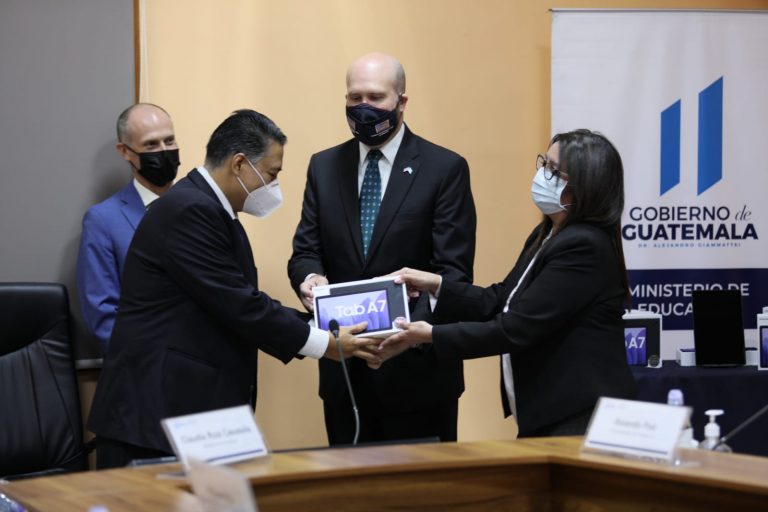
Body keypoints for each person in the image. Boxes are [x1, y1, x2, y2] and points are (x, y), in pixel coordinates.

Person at [88, 109, 379, 468]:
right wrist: (324, 342)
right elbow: (240, 304)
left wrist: (323, 323)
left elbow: (238, 298)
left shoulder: (211, 208)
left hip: (183, 414)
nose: (273, 186)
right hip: (153, 419)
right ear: (240, 164)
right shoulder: (190, 210)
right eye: (271, 174)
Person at [380, 129, 637, 437]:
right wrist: (436, 284)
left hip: (580, 415)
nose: (542, 176)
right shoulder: (548, 234)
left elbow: (516, 327)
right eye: (544, 163)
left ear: (584, 187)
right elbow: (501, 298)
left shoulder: (584, 246)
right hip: (550, 410)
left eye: (554, 171)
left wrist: (429, 335)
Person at [288, 52, 477, 445]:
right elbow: (305, 250)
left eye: (375, 97)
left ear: (401, 101)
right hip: (344, 373)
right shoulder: (324, 166)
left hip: (418, 375)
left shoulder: (444, 168)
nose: (364, 108)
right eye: (354, 97)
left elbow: (453, 273)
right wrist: (309, 278)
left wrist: (403, 337)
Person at [76, 103, 180, 353]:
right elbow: (103, 317)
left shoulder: (202, 208)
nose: (164, 151)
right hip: (146, 364)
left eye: (169, 141)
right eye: (151, 145)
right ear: (125, 151)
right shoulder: (102, 221)